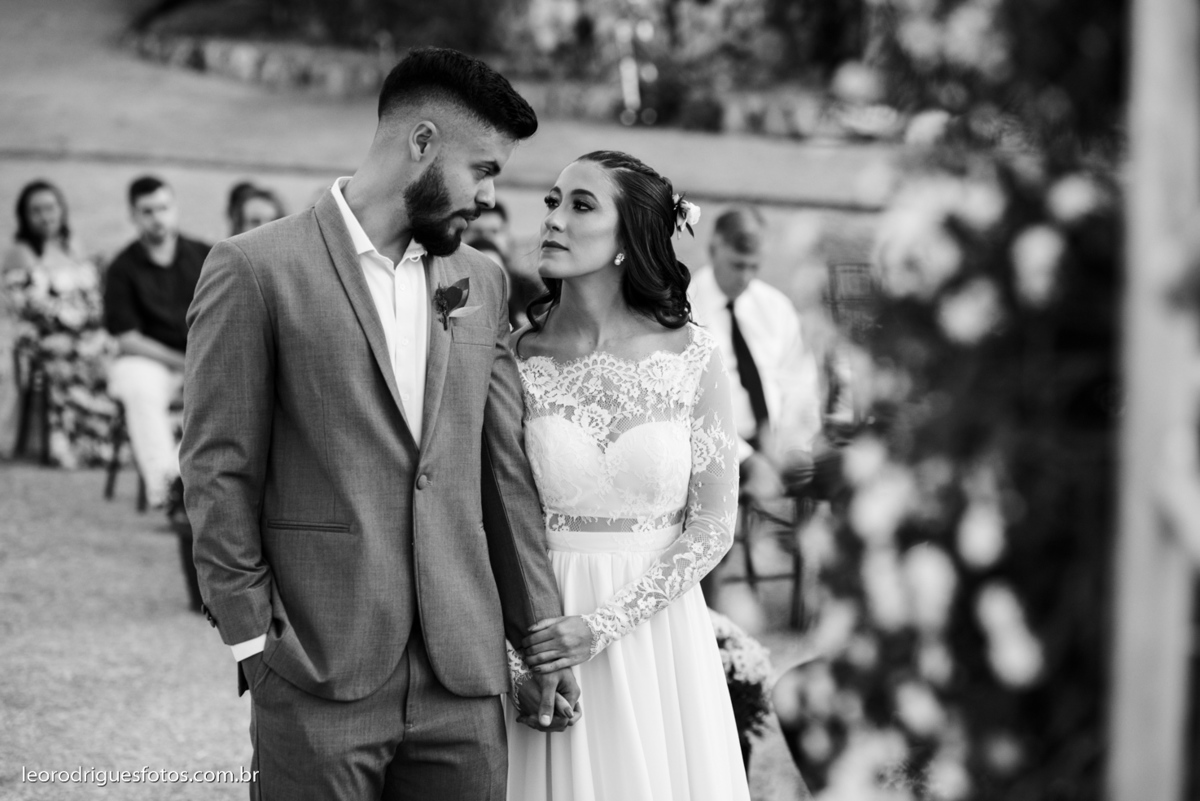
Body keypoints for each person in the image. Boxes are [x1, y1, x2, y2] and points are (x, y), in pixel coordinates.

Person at [181, 47, 579, 800]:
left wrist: (537, 641)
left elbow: (503, 474)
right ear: (422, 142)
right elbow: (217, 468)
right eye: (482, 169)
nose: (490, 196)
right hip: (317, 669)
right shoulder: (255, 268)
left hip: (464, 679)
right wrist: (254, 641)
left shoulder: (481, 279)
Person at [506, 150, 750, 801]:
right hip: (544, 630)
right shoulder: (514, 358)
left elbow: (713, 525)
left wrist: (603, 626)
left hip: (657, 637)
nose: (554, 219)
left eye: (581, 205)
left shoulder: (693, 354)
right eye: (552, 201)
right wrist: (520, 658)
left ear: (628, 239)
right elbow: (483, 519)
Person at [687, 206, 823, 504]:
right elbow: (691, 408)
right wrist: (747, 461)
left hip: (779, 444)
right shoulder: (686, 311)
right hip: (716, 454)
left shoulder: (775, 307)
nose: (745, 278)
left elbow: (801, 383)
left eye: (754, 267)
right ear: (714, 249)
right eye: (737, 265)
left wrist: (794, 445)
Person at [104, 175, 210, 508]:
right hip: (151, 362)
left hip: (202, 357)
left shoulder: (206, 255)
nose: (157, 218)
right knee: (138, 383)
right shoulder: (122, 268)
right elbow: (127, 338)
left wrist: (200, 362)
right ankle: (166, 491)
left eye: (163, 208)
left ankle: (194, 485)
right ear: (133, 216)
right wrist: (182, 363)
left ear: (175, 208)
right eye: (147, 211)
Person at [1, 180, 115, 466]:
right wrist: (74, 329)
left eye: (50, 208)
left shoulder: (73, 247)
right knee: (73, 355)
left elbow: (93, 297)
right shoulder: (20, 253)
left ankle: (105, 441)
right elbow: (29, 307)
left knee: (111, 351)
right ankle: (74, 446)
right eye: (36, 210)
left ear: (61, 210)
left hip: (85, 334)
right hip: (43, 339)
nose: (45, 216)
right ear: (25, 216)